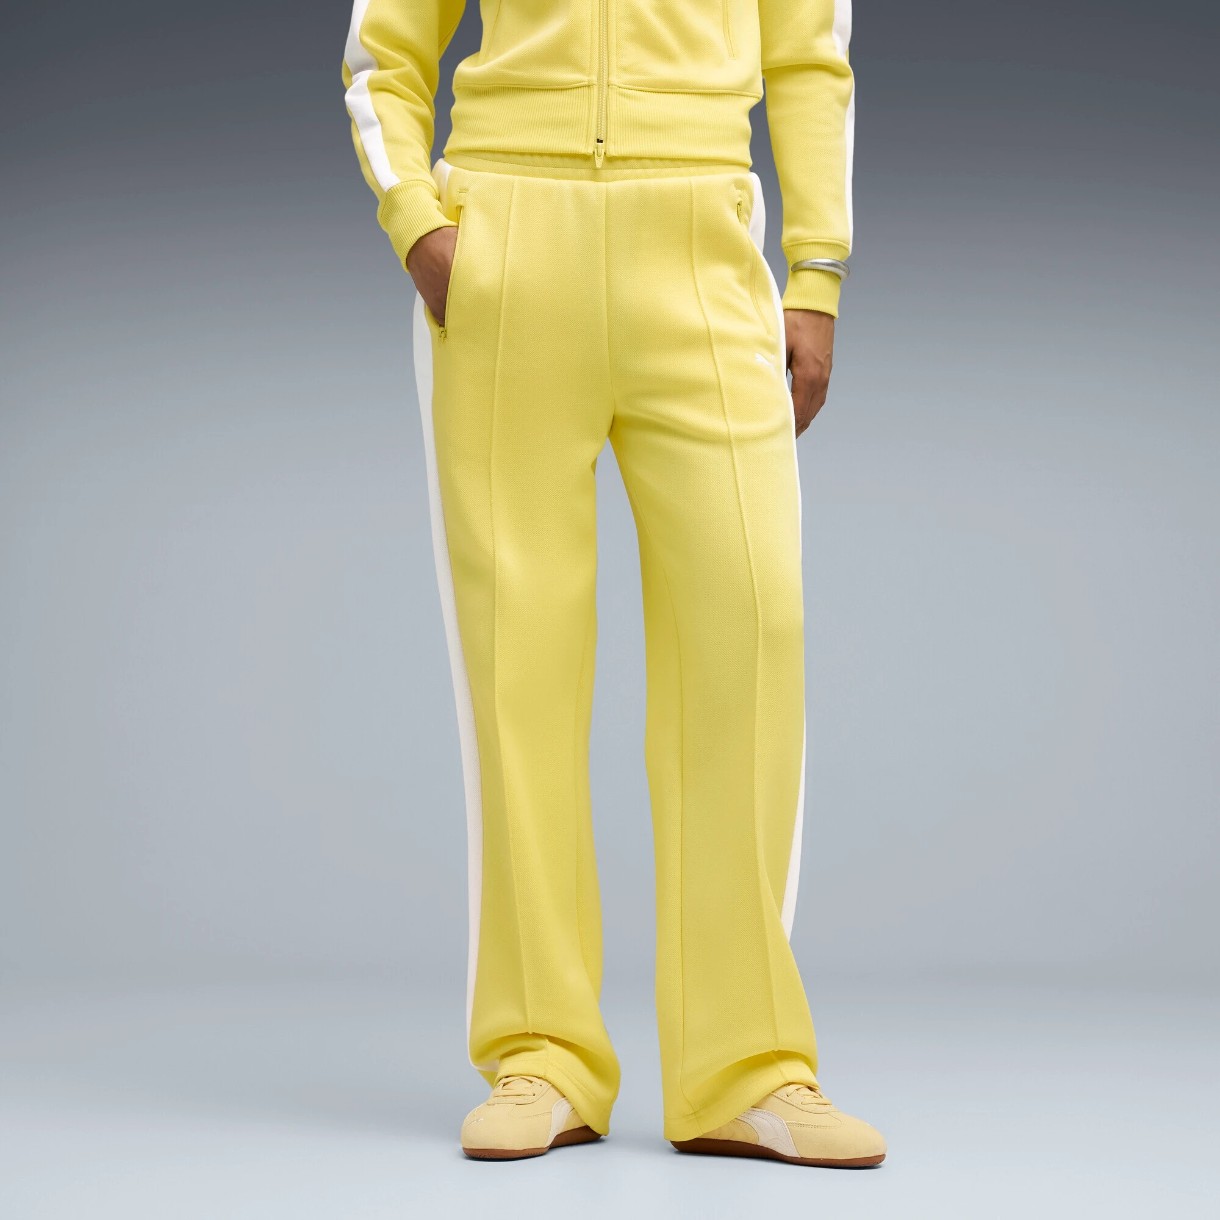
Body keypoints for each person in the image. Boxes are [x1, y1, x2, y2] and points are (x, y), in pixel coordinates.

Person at [341, 0, 885, 1168]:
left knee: (749, 630)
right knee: (517, 665)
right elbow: (380, 50)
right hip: (506, 243)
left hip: (699, 240)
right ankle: (540, 1050)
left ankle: (745, 1066)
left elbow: (810, 52)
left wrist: (816, 271)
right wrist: (419, 225)